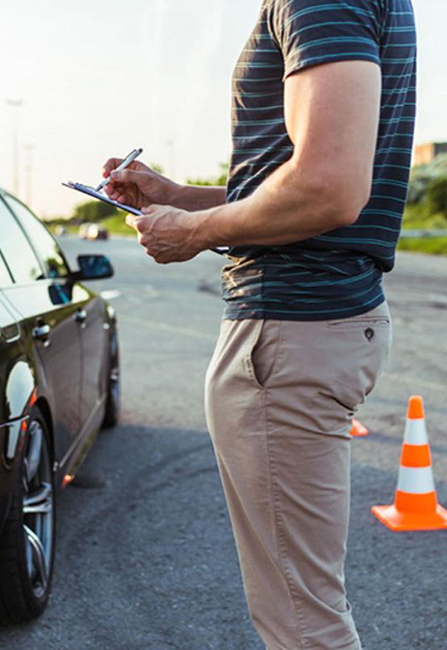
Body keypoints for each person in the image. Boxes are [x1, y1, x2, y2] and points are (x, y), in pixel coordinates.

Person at [103, 0, 416, 647]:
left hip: (290, 329)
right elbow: (300, 177)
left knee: (302, 624)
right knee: (303, 612)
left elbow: (329, 186)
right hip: (310, 329)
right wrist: (176, 197)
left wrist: (189, 231)